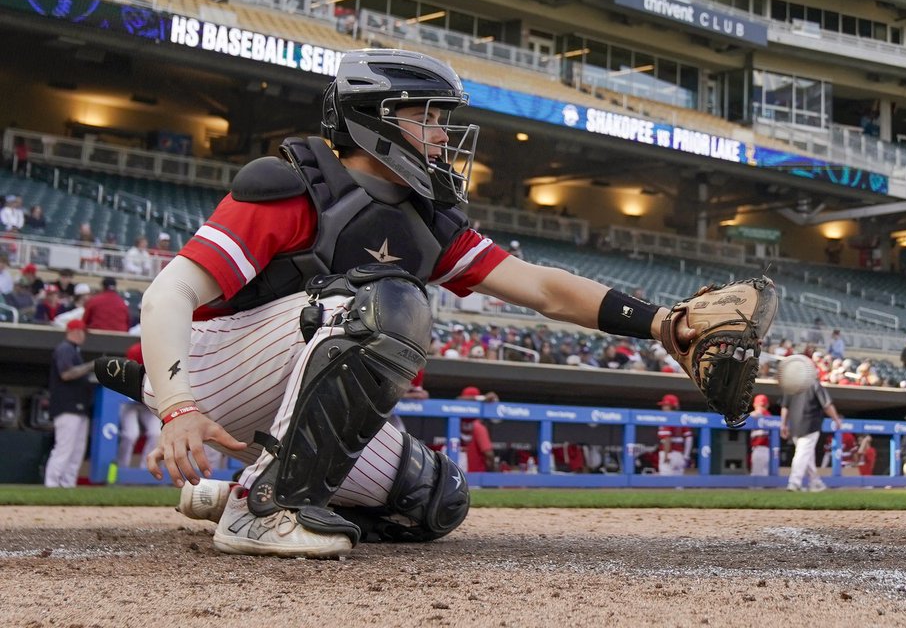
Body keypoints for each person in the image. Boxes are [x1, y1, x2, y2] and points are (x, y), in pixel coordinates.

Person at [132, 49, 699, 559]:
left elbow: (545, 289)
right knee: (389, 301)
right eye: (424, 116)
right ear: (373, 119)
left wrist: (663, 322)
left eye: (440, 119)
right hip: (209, 370)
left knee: (434, 501)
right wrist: (179, 407)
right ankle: (262, 512)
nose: (440, 134)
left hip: (284, 385)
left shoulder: (425, 221)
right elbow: (168, 295)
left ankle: (239, 489)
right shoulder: (293, 187)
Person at [44, 320, 95, 487]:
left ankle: (67, 485)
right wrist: (91, 366)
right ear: (73, 331)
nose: (83, 335)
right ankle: (51, 485)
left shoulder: (74, 350)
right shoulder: (65, 348)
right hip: (67, 408)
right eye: (81, 331)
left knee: (76, 452)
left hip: (79, 408)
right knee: (64, 450)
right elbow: (66, 374)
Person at [780, 379, 842, 492]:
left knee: (806, 456)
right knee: (802, 454)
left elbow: (785, 406)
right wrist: (836, 419)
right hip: (810, 424)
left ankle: (815, 482)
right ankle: (794, 482)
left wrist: (783, 424)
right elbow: (826, 405)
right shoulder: (814, 384)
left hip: (795, 425)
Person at [116, 342, 161, 470]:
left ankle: (147, 470)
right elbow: (131, 374)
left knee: (156, 434)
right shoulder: (136, 349)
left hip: (148, 402)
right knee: (130, 434)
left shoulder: (161, 350)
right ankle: (122, 469)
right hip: (130, 401)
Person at [457, 386, 496, 473]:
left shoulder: (455, 422)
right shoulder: (477, 426)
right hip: (475, 478)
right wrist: (493, 472)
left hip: (458, 478)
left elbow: (459, 400)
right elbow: (489, 454)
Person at [656, 393, 693, 475]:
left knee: (665, 483)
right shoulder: (682, 419)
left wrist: (666, 455)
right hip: (680, 456)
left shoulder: (667, 419)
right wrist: (686, 456)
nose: (663, 408)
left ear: (672, 406)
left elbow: (667, 438)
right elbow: (689, 439)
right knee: (678, 484)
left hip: (668, 454)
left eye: (666, 405)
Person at [747, 393, 771, 476]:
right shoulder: (756, 414)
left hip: (762, 448)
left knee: (757, 474)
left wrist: (758, 411)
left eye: (762, 405)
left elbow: (759, 412)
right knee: (762, 472)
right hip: (759, 448)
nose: (761, 407)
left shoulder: (766, 414)